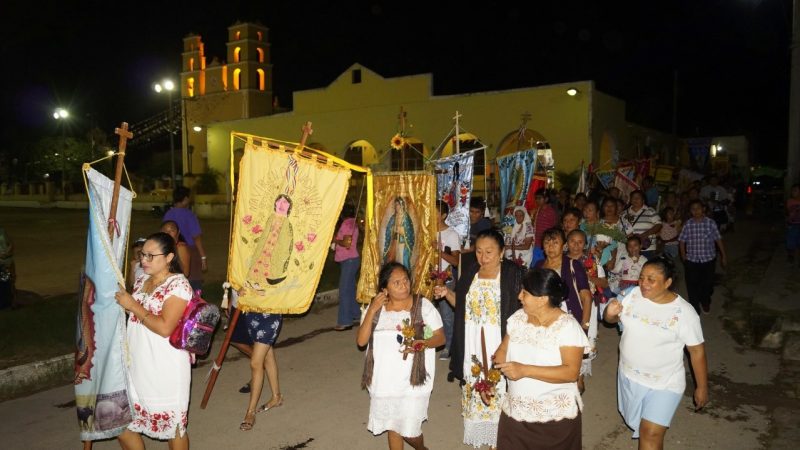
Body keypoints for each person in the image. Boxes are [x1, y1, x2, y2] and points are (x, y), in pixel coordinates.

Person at [603, 258, 708, 448]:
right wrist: (609, 314)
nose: (643, 283)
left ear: (667, 282)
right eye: (642, 277)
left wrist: (702, 387)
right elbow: (610, 320)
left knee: (650, 434)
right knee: (637, 424)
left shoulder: (685, 313)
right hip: (629, 377)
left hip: (665, 383)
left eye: (651, 279)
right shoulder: (630, 295)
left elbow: (697, 351)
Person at [434, 229, 525, 449]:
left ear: (502, 252)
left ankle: (501, 437)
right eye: (479, 252)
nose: (483, 258)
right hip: (472, 340)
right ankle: (485, 434)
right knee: (475, 382)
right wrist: (447, 294)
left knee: (500, 387)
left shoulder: (513, 274)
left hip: (500, 339)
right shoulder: (472, 272)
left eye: (489, 252)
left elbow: (524, 310)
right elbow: (463, 308)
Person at [493, 268, 589, 450]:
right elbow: (503, 350)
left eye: (525, 293)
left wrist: (524, 370)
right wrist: (491, 377)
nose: (519, 296)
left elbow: (570, 372)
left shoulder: (567, 327)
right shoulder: (517, 319)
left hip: (554, 421)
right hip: (515, 415)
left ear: (543, 299)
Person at [114, 232, 193, 449]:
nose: (144, 260)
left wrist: (132, 306)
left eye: (151, 256)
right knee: (122, 424)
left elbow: (165, 327)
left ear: (168, 258)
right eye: (142, 255)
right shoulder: (141, 280)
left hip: (165, 366)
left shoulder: (178, 285)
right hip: (137, 363)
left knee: (173, 427)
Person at [357, 262, 445, 450]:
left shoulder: (423, 305)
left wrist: (421, 344)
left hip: (413, 380)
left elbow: (440, 338)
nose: (403, 285)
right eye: (396, 283)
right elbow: (361, 341)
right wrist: (372, 309)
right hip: (384, 381)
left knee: (409, 430)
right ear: (385, 289)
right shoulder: (376, 310)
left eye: (405, 280)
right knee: (392, 426)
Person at [534, 228, 593, 393]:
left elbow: (586, 297)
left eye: (555, 242)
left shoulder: (574, 265)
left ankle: (576, 381)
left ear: (564, 245)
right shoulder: (539, 266)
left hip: (569, 317)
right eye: (547, 242)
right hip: (545, 318)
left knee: (571, 357)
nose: (551, 246)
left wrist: (585, 325)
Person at [565, 229, 605, 383]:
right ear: (566, 243)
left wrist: (587, 276)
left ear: (585, 244)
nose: (576, 245)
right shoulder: (561, 260)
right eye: (572, 241)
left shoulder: (591, 261)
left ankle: (580, 374)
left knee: (585, 336)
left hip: (588, 306)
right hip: (567, 305)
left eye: (580, 242)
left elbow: (604, 282)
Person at [238, 305, 284, 431]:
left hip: (270, 314)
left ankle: (250, 412)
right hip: (251, 313)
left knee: (255, 363)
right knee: (268, 355)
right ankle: (276, 397)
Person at [679, 199, 727, 315]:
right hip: (692, 260)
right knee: (692, 285)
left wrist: (723, 256)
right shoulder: (688, 224)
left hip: (708, 260)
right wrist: (684, 256)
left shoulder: (710, 223)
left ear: (703, 209)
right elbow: (682, 241)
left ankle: (705, 301)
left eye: (698, 208)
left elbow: (718, 239)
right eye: (693, 209)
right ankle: (695, 307)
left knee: (707, 284)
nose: (696, 211)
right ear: (690, 211)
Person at [163, 186, 207, 291]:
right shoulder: (189, 215)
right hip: (189, 251)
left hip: (171, 251)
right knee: (193, 282)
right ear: (186, 199)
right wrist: (203, 257)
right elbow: (196, 238)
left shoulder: (168, 214)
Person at [247, 194, 294, 287]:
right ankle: (256, 282)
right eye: (279, 201)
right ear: (275, 204)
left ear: (289, 207)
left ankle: (268, 281)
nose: (281, 205)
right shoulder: (271, 218)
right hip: (266, 246)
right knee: (259, 262)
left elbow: (286, 242)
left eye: (285, 202)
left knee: (270, 266)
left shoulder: (287, 223)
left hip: (276, 250)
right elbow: (264, 234)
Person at [435, 201, 461, 359]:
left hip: (445, 278)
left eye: (435, 212)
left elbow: (456, 261)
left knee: (446, 314)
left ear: (444, 215)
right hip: (428, 277)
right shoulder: (428, 230)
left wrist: (439, 252)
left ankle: (448, 346)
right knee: (428, 311)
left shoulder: (451, 234)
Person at [334, 204, 361, 331]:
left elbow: (346, 243)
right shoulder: (353, 223)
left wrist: (335, 240)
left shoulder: (347, 224)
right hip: (351, 260)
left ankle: (345, 321)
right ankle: (355, 313)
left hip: (349, 260)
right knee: (350, 289)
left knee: (344, 290)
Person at [621, 190, 662, 260]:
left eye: (638, 198)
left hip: (647, 248)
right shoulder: (624, 213)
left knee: (647, 269)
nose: (636, 199)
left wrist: (644, 235)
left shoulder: (650, 210)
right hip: (630, 248)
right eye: (633, 198)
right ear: (630, 200)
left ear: (643, 200)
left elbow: (659, 225)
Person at [383, 197, 415, 269]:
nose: (396, 206)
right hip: (394, 242)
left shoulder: (406, 217)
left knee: (403, 261)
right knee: (392, 260)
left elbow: (410, 231)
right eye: (395, 205)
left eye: (398, 204)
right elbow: (389, 229)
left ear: (402, 205)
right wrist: (393, 229)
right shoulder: (394, 217)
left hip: (403, 243)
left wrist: (401, 230)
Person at [0, 227, 16, 309]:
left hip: (7, 258)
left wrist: (8, 251)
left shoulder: (2, 231)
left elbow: (11, 243)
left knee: (12, 279)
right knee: (4, 281)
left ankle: (13, 301)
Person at [786, 183, 800, 266]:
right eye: (792, 191)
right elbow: (788, 212)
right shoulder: (790, 201)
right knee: (791, 241)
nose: (793, 192)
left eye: (795, 191)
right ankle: (791, 255)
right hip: (793, 224)